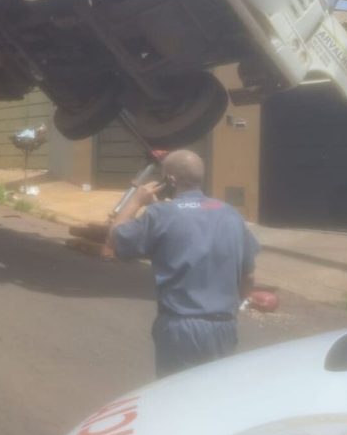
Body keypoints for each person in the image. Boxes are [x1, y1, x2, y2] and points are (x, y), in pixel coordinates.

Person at [103, 149, 259, 378]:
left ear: (171, 180)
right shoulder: (230, 215)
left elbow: (114, 239)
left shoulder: (161, 215)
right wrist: (234, 308)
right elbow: (248, 276)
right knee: (214, 396)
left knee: (177, 399)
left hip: (181, 329)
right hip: (225, 326)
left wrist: (135, 201)